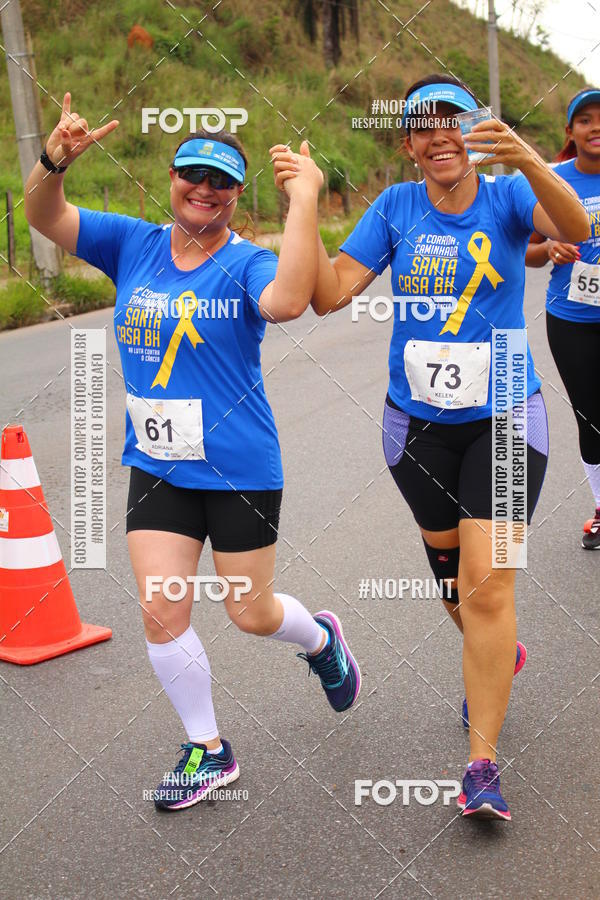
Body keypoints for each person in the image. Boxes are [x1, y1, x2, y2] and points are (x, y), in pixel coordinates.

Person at [24, 93, 361, 812]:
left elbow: (289, 302)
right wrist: (54, 163)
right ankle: (207, 750)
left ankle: (320, 639)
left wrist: (305, 200)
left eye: (222, 182)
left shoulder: (245, 263)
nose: (204, 190)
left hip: (239, 468)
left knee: (251, 612)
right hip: (158, 467)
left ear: (239, 196)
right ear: (171, 179)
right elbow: (44, 217)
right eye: (192, 176)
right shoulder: (133, 243)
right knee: (161, 608)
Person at [272, 73, 590, 820]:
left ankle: (481, 764)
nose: (440, 134)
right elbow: (327, 293)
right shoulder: (395, 208)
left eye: (456, 120)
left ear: (475, 131)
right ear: (409, 142)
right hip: (414, 427)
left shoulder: (511, 194)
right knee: (455, 586)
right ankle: (497, 653)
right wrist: (307, 200)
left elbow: (576, 230)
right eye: (424, 125)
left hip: (508, 415)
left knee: (488, 584)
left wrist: (530, 156)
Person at [525, 87, 600, 549]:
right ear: (570, 131)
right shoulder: (553, 179)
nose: (596, 128)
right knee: (592, 418)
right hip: (572, 317)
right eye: (586, 119)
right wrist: (548, 247)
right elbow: (527, 254)